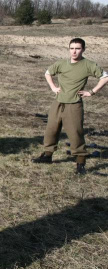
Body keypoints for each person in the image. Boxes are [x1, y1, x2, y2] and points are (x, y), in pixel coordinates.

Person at [32, 37, 108, 174]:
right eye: (72, 48)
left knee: (75, 133)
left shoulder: (88, 65)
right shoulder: (61, 64)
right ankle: (47, 156)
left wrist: (92, 92)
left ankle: (80, 163)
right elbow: (48, 73)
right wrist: (53, 87)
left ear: (83, 49)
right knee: (51, 130)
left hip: (74, 105)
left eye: (78, 48)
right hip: (58, 102)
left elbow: (105, 77)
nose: (74, 52)